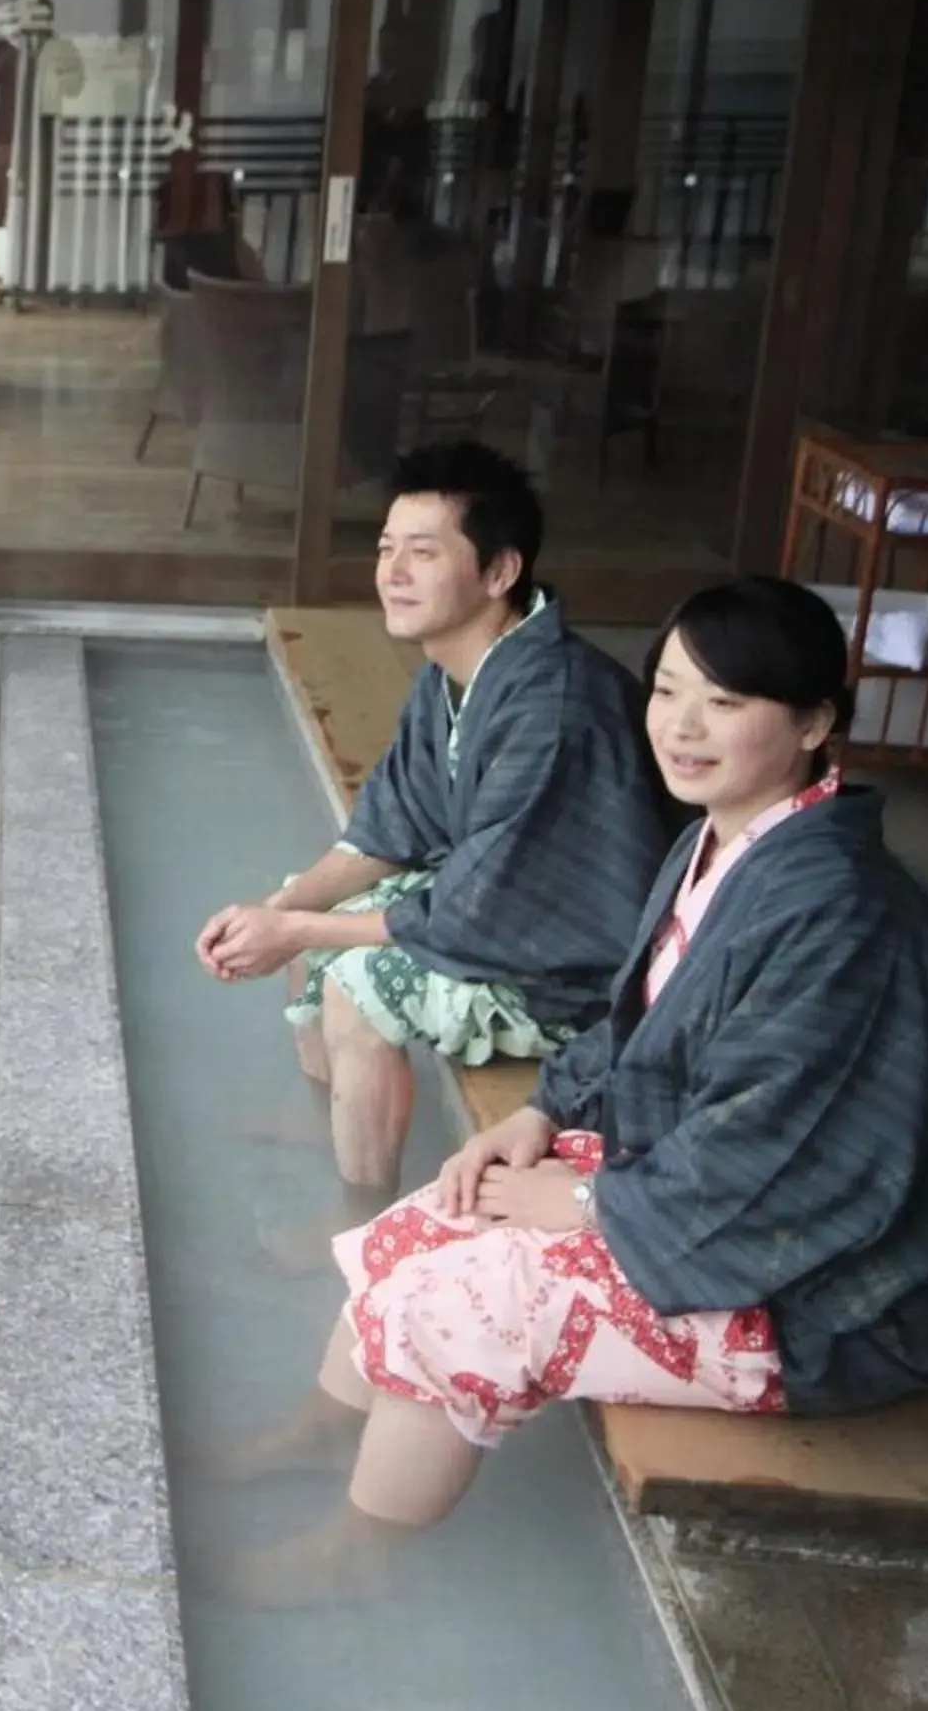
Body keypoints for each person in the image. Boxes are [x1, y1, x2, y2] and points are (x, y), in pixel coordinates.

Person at [221, 577, 928, 1603]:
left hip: (816, 1292)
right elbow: (637, 1022)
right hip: (693, 1197)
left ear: (815, 723)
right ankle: (327, 1428)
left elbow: (780, 1160)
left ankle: (360, 1556)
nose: (681, 728)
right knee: (427, 1218)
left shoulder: (840, 918)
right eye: (665, 692)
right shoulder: (723, 842)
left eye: (725, 703)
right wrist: (540, 1115)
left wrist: (581, 1202)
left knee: (468, 1304)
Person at [194, 442, 671, 1204]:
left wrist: (299, 930)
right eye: (387, 549)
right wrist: (283, 910)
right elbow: (391, 825)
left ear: (499, 571)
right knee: (307, 911)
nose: (392, 571)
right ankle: (336, 1123)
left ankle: (360, 1220)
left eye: (422, 552)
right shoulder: (459, 671)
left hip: (576, 974)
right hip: (498, 911)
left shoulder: (551, 708)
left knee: (361, 985)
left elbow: (481, 910)